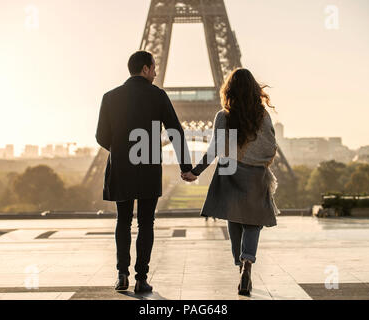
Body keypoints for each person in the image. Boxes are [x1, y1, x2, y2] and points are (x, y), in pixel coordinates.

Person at [96, 51, 194, 293]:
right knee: (146, 222)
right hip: (148, 166)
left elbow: (101, 136)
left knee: (123, 221)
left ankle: (121, 275)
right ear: (145, 69)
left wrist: (120, 150)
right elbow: (175, 132)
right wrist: (186, 167)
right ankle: (141, 277)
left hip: (121, 167)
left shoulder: (110, 97)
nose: (156, 72)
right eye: (154, 68)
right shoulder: (158, 96)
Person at [181, 68, 280, 296]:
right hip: (255, 174)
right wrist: (255, 160)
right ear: (254, 90)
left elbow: (215, 148)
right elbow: (270, 145)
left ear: (229, 90)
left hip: (229, 171)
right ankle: (247, 262)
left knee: (234, 218)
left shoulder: (222, 116)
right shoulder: (262, 116)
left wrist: (195, 171)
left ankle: (239, 264)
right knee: (253, 222)